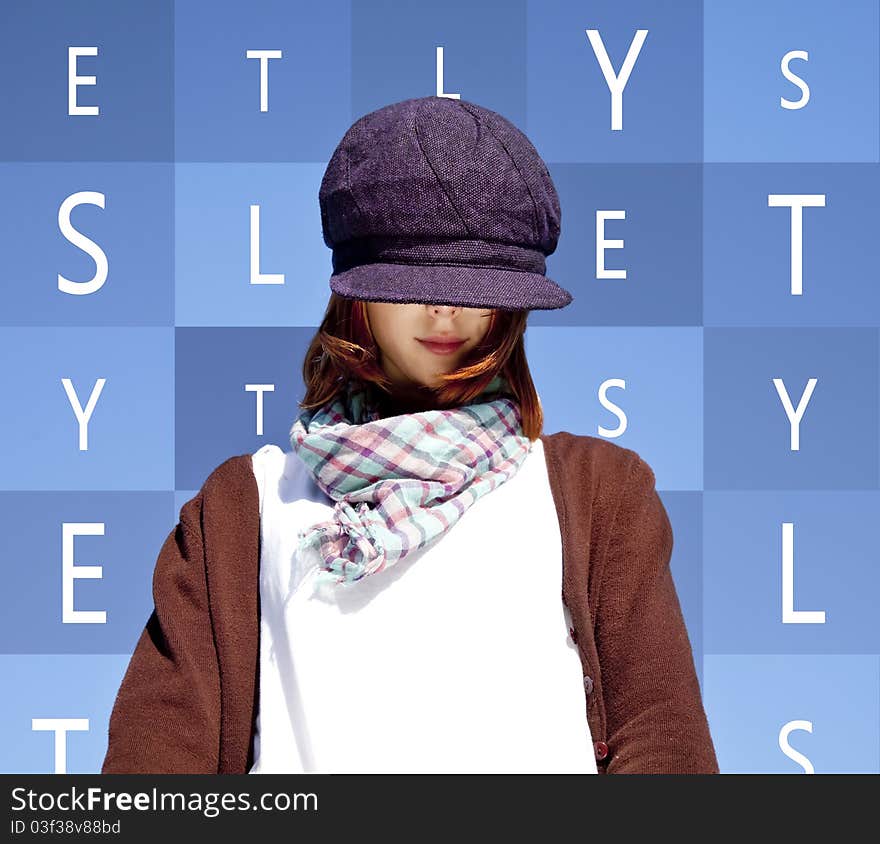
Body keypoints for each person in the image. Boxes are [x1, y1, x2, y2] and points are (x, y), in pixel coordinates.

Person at [101, 96, 718, 774]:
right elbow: (153, 770)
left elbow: (666, 744)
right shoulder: (244, 509)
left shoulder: (597, 494)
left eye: (472, 283)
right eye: (414, 279)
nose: (445, 307)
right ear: (355, 292)